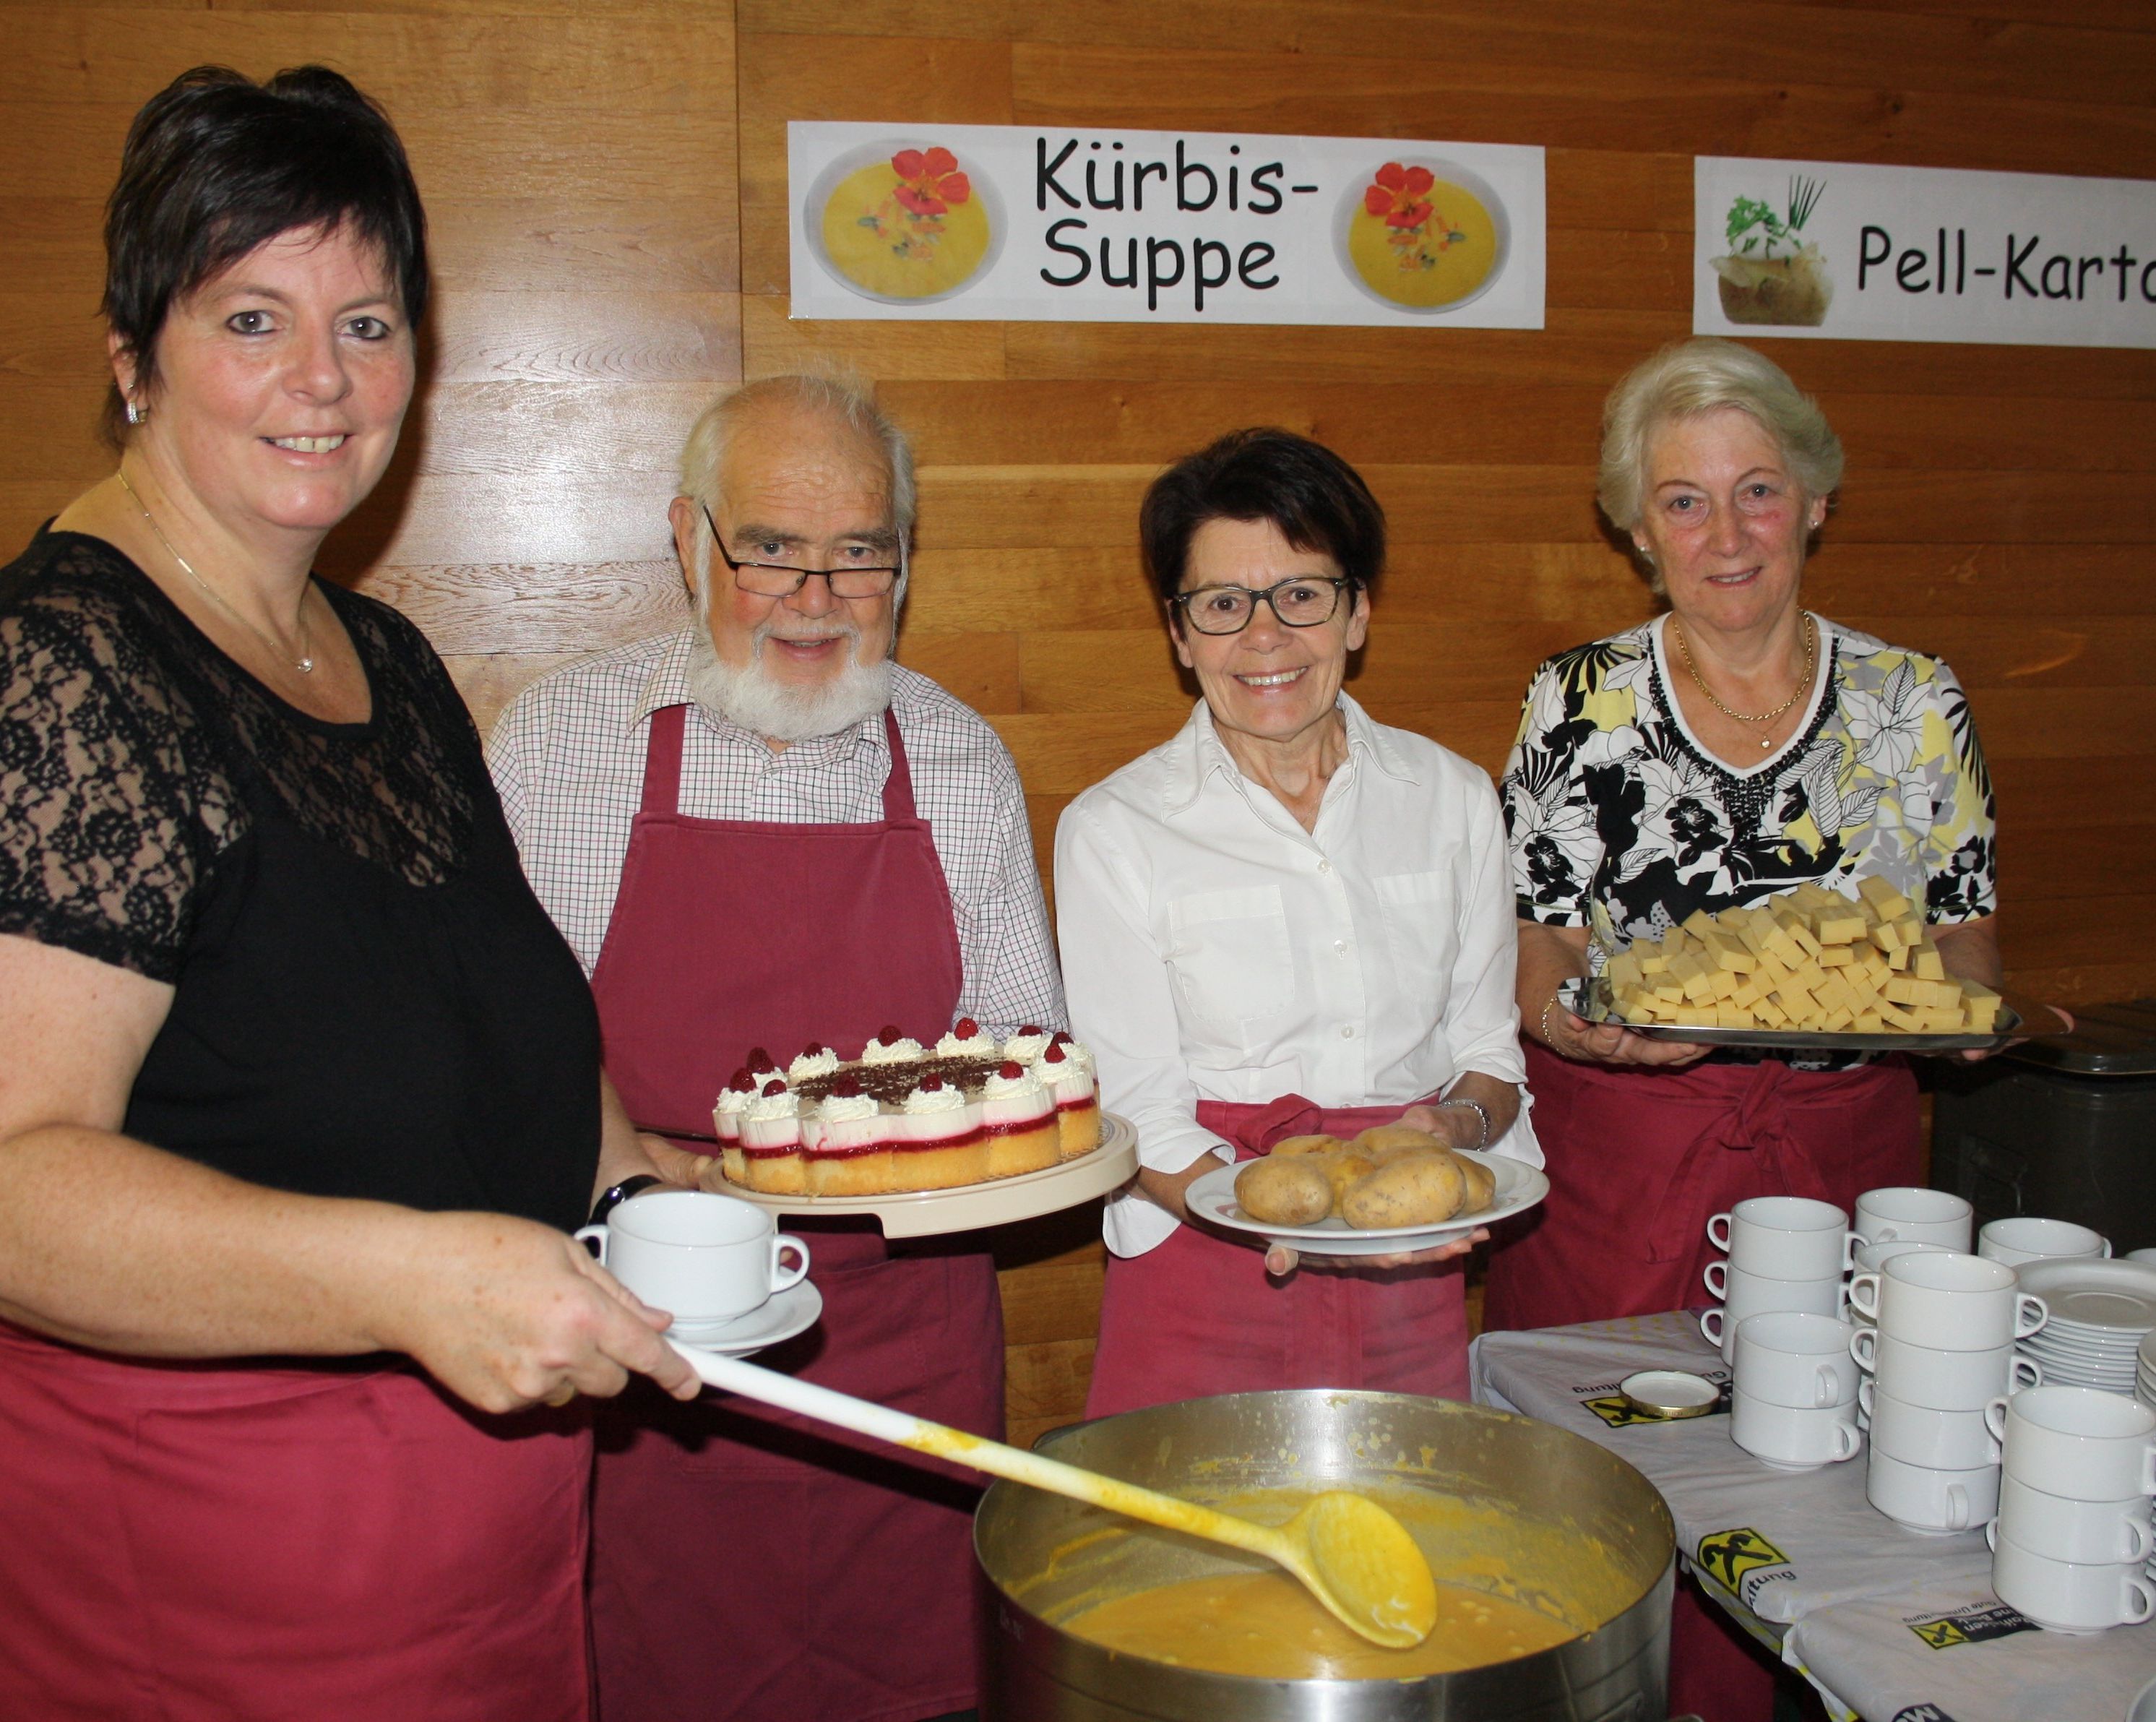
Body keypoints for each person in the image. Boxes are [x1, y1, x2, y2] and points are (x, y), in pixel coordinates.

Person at [0, 66, 697, 1721]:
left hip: (491, 1562)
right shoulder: (60, 670)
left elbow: (473, 1001)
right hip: (218, 1582)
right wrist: (409, 1278)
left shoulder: (380, 653)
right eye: (252, 319)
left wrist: (642, 1175)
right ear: (129, 357)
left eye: (369, 323)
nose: (321, 380)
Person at [488, 374, 1065, 1722]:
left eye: (860, 551)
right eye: (770, 550)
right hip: (649, 1336)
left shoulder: (959, 757)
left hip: (907, 1332)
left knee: (918, 1681)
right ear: (691, 543)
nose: (817, 597)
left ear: (904, 566)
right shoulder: (563, 742)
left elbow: (1030, 1052)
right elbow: (503, 1059)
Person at [1482, 337, 2002, 1722]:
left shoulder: (1910, 701)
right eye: (1685, 501)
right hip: (1622, 1157)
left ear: (1816, 500)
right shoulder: (1574, 701)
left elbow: (1962, 938)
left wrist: (1956, 1021)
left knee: (1822, 1486)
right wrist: (1576, 1029)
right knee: (1606, 1494)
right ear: (1636, 529)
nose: (1726, 534)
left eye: (1758, 490)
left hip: (1845, 1159)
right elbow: (1538, 948)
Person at [1055, 427, 1535, 1421]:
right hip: (1199, 1244)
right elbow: (1140, 1112)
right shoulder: (1113, 830)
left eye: (1301, 596)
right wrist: (1265, 1209)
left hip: (1408, 1248)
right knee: (1187, 1564)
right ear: (1179, 634)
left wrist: (1459, 1128)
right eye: (1223, 605)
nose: (1263, 638)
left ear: (1356, 612)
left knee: (1408, 1552)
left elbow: (1488, 1051)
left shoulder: (1450, 798)